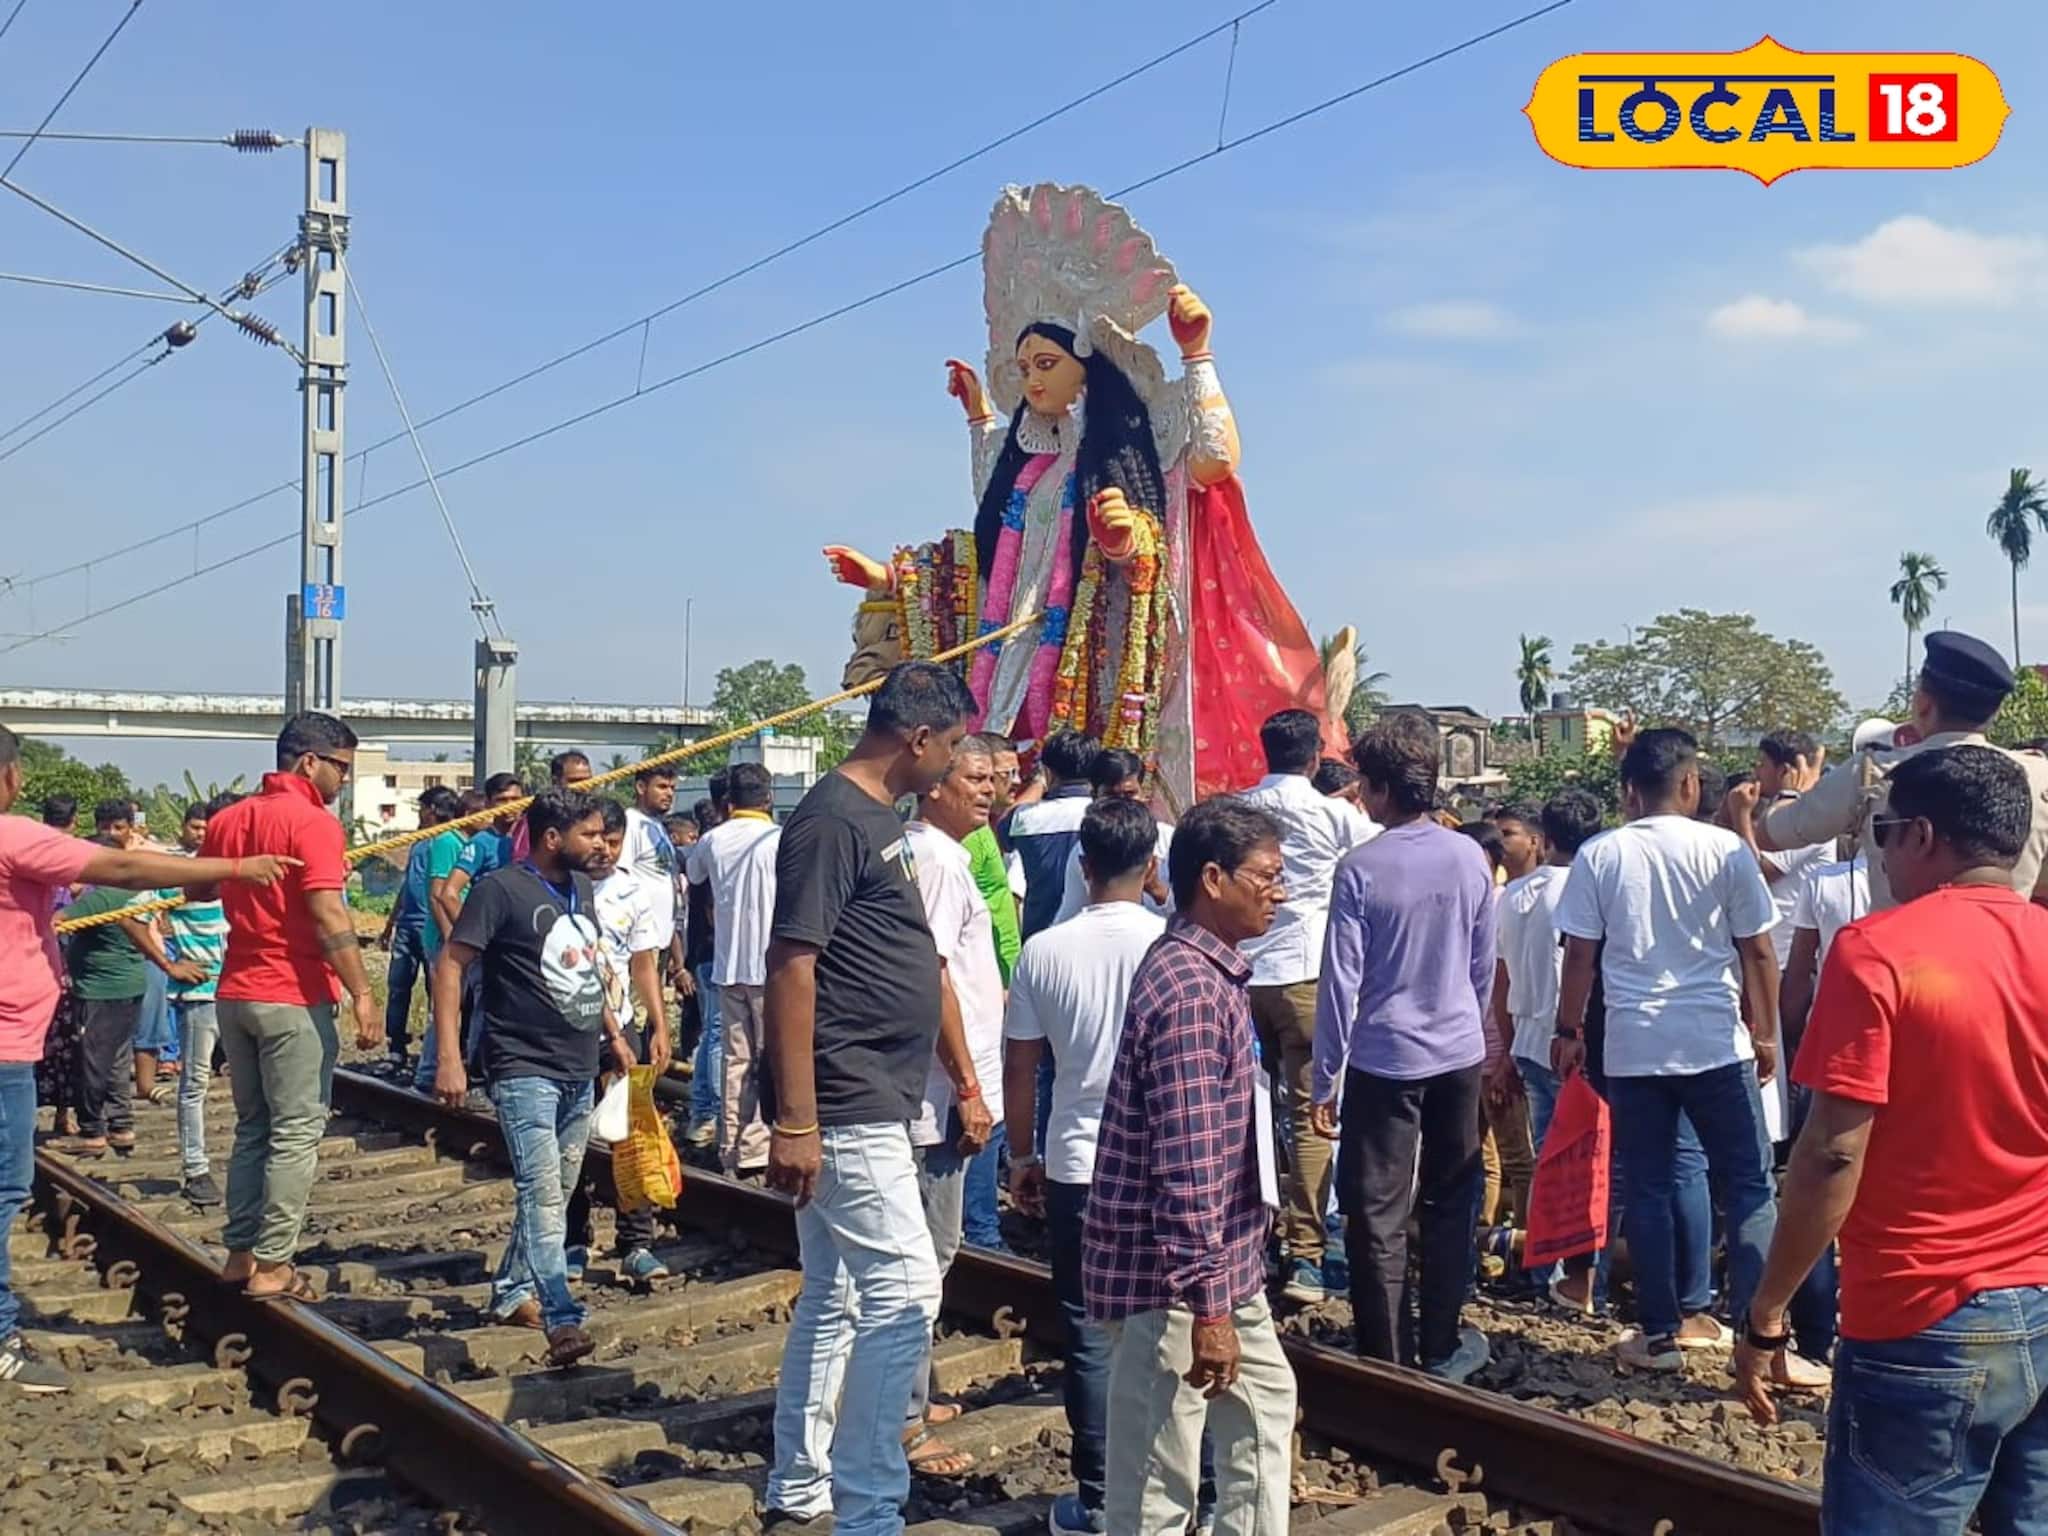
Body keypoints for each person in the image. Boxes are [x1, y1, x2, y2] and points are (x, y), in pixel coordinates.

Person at [1733, 747, 2048, 1535]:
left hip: (1921, 1315)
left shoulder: (1877, 951)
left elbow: (1832, 1153)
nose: (1876, 849)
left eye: (1880, 830)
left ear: (1922, 836)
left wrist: (1768, 1311)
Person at [0, 724, 292, 1391]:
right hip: (4, 1049)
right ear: (12, 778)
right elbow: (124, 868)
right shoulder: (12, 835)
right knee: (4, 1189)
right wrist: (231, 868)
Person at [763, 661, 973, 1536]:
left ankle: (801, 1487)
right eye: (954, 747)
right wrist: (798, 1118)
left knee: (840, 1294)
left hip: (868, 1094)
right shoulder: (830, 824)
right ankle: (869, 1510)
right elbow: (792, 964)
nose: (958, 764)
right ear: (917, 740)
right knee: (906, 1290)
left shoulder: (871, 818)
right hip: (846, 1101)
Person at [1552, 728, 1819, 1378]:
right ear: (1693, 784)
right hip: (1716, 1044)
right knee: (1751, 1187)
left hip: (1635, 1048)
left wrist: (1568, 1031)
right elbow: (1757, 949)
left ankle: (1660, 1335)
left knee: (1647, 1185)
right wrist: (1763, 1035)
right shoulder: (1726, 850)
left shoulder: (1600, 854)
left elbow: (1580, 955)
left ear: (1628, 790)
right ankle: (1762, 1340)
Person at [1084, 796, 1295, 1536]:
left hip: (1223, 1259)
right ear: (1213, 878)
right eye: (1266, 876)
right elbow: (1189, 1166)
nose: (1281, 890)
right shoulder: (1191, 991)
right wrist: (1207, 1307)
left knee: (1265, 1406)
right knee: (1156, 1470)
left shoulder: (1209, 973)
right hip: (1174, 1275)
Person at [1311, 713, 1496, 1381]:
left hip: (1384, 1056)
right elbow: (1483, 962)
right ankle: (1442, 1343)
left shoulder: (1360, 867)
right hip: (1457, 1052)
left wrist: (1324, 1075)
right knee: (1451, 1198)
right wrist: (1472, 1032)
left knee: (1377, 1210)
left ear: (1382, 788)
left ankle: (1383, 1353)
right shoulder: (1469, 855)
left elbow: (1341, 982)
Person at [1003, 798, 1166, 1535]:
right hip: (1159, 1163)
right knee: (1163, 1326)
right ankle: (1166, 1492)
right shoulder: (1172, 946)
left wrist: (1022, 1155)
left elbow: (1022, 1065)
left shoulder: (1044, 949)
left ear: (1082, 865)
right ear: (1152, 867)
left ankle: (1101, 1501)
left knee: (1089, 1329)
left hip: (1077, 1161)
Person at [432, 789, 631, 1369]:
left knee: (559, 1186)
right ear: (552, 839)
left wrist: (613, 1032)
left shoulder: (579, 888)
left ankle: (511, 1289)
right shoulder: (499, 890)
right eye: (590, 835)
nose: (601, 844)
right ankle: (561, 1317)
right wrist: (450, 1054)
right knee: (541, 1190)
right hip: (522, 1067)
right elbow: (451, 966)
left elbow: (585, 965)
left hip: (577, 1062)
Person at [201, 711, 381, 1302]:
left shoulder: (230, 819)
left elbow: (196, 888)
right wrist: (361, 991)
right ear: (310, 761)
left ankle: (240, 1253)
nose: (344, 781)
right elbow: (329, 915)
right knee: (296, 1131)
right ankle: (276, 1264)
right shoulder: (315, 823)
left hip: (235, 992)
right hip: (293, 994)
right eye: (342, 768)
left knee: (253, 1126)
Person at [1751, 630, 2048, 910]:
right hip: (2008, 957)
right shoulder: (2038, 777)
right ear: (1994, 712)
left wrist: (1793, 791)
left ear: (1923, 704)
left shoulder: (1872, 770)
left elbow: (1772, 835)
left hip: (1897, 958)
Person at [1234, 708, 1373, 1305]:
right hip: (1307, 976)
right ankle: (1308, 1253)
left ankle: (1248, 1240)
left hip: (1239, 975)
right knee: (1311, 1113)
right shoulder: (1335, 816)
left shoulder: (1235, 810)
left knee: (1244, 1114)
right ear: (1316, 756)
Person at [901, 744, 1003, 1476]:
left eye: (994, 781)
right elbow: (931, 977)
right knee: (924, 1257)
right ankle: (903, 1415)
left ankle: (915, 1389)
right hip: (938, 1100)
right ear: (935, 787)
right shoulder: (935, 862)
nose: (989, 792)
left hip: (945, 1092)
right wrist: (967, 1086)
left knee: (931, 1251)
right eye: (975, 779)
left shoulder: (944, 857)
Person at [566, 798, 674, 1285]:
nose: (605, 851)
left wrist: (659, 1022)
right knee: (569, 1137)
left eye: (614, 842)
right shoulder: (561, 887)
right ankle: (572, 1239)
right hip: (568, 1029)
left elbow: (644, 964)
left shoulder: (633, 892)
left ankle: (637, 1243)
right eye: (597, 840)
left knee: (632, 1136)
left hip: (623, 1026)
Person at [683, 762, 782, 1175]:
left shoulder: (712, 840)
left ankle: (732, 1144)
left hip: (727, 965)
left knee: (736, 1060)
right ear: (769, 799)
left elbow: (694, 874)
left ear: (728, 801)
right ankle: (758, 1145)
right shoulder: (780, 839)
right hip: (770, 968)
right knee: (770, 1059)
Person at [162, 796, 237, 1208]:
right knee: (195, 1084)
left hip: (241, 989)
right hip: (201, 995)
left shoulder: (242, 869)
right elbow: (134, 915)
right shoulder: (179, 872)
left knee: (252, 1084)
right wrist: (169, 964)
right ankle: (196, 1169)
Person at [380, 785, 458, 1070]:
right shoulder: (418, 843)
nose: (421, 814)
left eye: (423, 809)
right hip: (406, 926)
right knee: (398, 985)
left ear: (433, 810)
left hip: (431, 926)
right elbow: (407, 885)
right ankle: (396, 1047)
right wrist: (390, 924)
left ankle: (435, 1050)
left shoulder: (448, 842)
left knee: (436, 989)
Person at [411, 788, 484, 1094]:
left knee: (458, 1006)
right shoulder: (446, 841)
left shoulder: (468, 843)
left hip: (462, 936)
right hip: (448, 938)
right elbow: (439, 893)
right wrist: (451, 941)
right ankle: (428, 1072)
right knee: (446, 1007)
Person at [1052, 747, 1174, 923]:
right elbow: (1069, 915)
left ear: (1143, 794)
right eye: (1111, 796)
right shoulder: (1084, 849)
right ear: (1095, 797)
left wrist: (1156, 890)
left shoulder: (1169, 841)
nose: (1122, 804)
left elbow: (1191, 917)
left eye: (1130, 794)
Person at [1004, 730, 1101, 940]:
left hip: (1038, 937)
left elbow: (1004, 825)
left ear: (1048, 771)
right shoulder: (1105, 815)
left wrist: (1039, 782)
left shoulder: (1025, 818)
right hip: (1092, 937)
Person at [508, 750, 593, 862]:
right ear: (556, 781)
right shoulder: (540, 814)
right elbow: (520, 857)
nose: (584, 787)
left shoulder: (597, 814)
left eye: (588, 780)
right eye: (575, 781)